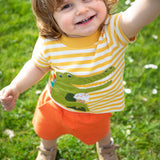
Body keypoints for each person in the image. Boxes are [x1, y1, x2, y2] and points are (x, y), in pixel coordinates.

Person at [0, 0, 159, 159]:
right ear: (50, 18)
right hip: (56, 104)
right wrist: (16, 86)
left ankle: (106, 147)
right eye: (66, 6)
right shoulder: (50, 42)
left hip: (97, 108)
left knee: (100, 132)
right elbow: (38, 67)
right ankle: (47, 149)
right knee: (46, 130)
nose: (82, 9)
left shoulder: (116, 30)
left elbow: (147, 9)